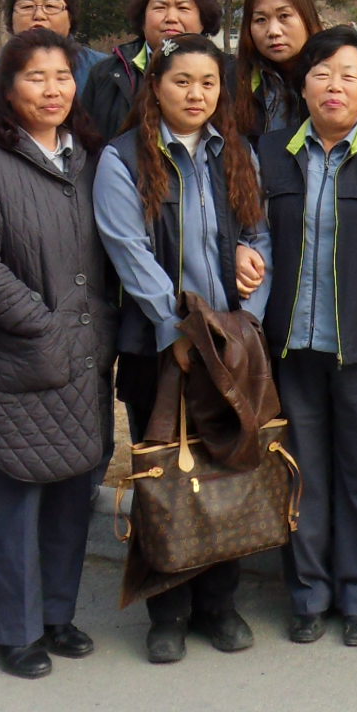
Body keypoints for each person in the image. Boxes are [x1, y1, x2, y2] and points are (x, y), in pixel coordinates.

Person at [0, 29, 118, 680]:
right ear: (6, 87)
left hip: (85, 357)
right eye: (35, 77)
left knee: (73, 491)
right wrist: (41, 324)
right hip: (15, 358)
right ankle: (9, 632)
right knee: (13, 500)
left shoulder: (90, 157)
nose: (52, 90)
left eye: (62, 76)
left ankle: (55, 615)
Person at [94, 34, 273, 662]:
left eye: (208, 83)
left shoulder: (237, 152)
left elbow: (259, 237)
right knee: (165, 474)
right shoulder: (124, 158)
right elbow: (129, 252)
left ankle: (219, 606)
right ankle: (165, 611)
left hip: (227, 344)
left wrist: (246, 322)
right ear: (155, 87)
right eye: (181, 81)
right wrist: (178, 331)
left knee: (227, 466)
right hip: (158, 345)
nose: (196, 94)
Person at [257, 26, 357, 647]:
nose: (334, 86)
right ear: (302, 86)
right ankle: (308, 594)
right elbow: (250, 238)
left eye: (349, 76)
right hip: (290, 346)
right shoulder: (269, 153)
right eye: (322, 74)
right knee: (302, 473)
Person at [83, 0, 223, 140]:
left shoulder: (229, 72)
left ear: (203, 18)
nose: (171, 18)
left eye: (183, 8)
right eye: (160, 7)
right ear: (142, 16)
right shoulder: (107, 74)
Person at [235, 0, 322, 143]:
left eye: (284, 16)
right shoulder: (232, 81)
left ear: (307, 17)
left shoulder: (338, 80)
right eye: (261, 20)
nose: (273, 31)